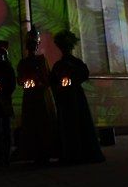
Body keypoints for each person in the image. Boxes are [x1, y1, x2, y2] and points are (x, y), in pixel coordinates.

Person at [49, 30, 105, 164]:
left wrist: (71, 80)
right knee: (68, 124)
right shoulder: (61, 64)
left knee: (77, 122)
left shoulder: (72, 63)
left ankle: (78, 152)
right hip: (66, 98)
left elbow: (83, 74)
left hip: (74, 96)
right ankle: (71, 152)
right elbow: (53, 79)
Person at [16, 28, 57, 164]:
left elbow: (48, 77)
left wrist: (39, 81)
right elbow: (20, 79)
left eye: (34, 44)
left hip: (41, 96)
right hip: (30, 97)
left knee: (43, 122)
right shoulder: (23, 63)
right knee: (31, 123)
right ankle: (33, 152)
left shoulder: (41, 60)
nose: (32, 47)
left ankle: (45, 152)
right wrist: (26, 81)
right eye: (30, 44)